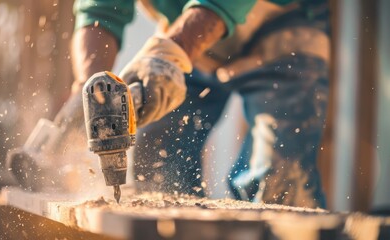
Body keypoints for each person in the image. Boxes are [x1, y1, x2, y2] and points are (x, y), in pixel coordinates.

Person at [71, 0, 330, 208]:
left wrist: (173, 51)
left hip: (282, 27)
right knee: (158, 165)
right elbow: (99, 12)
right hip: (187, 31)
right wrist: (91, 84)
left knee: (278, 178)